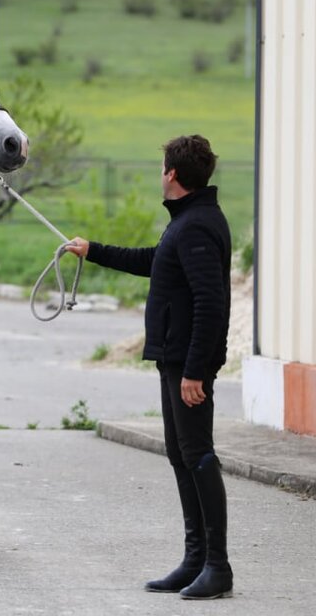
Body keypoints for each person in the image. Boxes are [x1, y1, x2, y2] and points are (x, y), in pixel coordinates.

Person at [65, 134, 233, 601]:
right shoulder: (186, 223)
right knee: (181, 454)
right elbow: (153, 262)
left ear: (173, 174)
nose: (160, 174)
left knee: (198, 454)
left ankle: (218, 567)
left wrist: (197, 370)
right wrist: (91, 248)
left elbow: (210, 303)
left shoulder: (197, 227)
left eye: (162, 167)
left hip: (187, 364)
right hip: (173, 358)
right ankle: (195, 559)